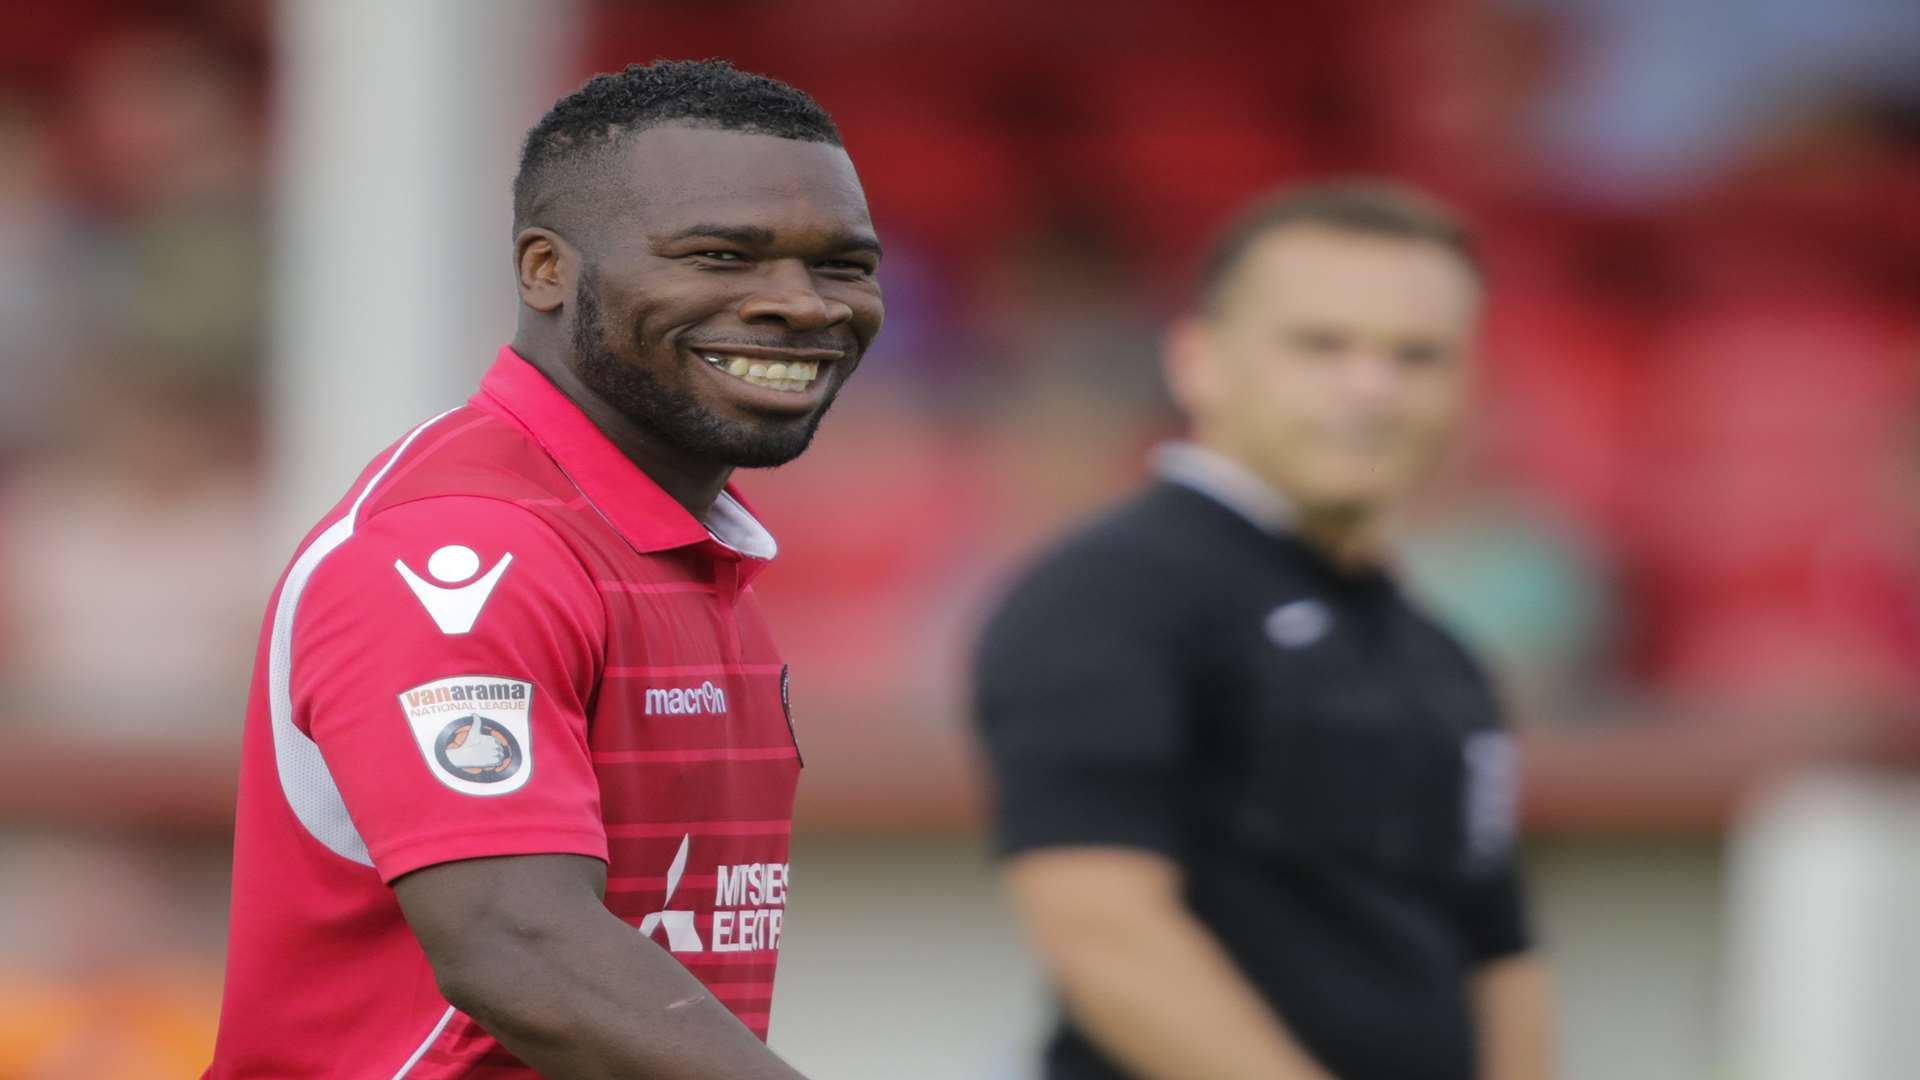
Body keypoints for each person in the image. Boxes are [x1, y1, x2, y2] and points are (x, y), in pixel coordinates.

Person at [206, 60, 883, 1079]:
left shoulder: (687, 553)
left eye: (842, 266)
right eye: (719, 255)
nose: (799, 304)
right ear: (544, 270)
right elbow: (515, 947)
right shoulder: (462, 553)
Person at [972, 182, 1554, 1080]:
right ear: (1199, 361)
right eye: (1320, 345)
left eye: (1419, 354)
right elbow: (1103, 932)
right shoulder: (1106, 597)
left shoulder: (1441, 653)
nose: (1372, 386)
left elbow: (1499, 953)